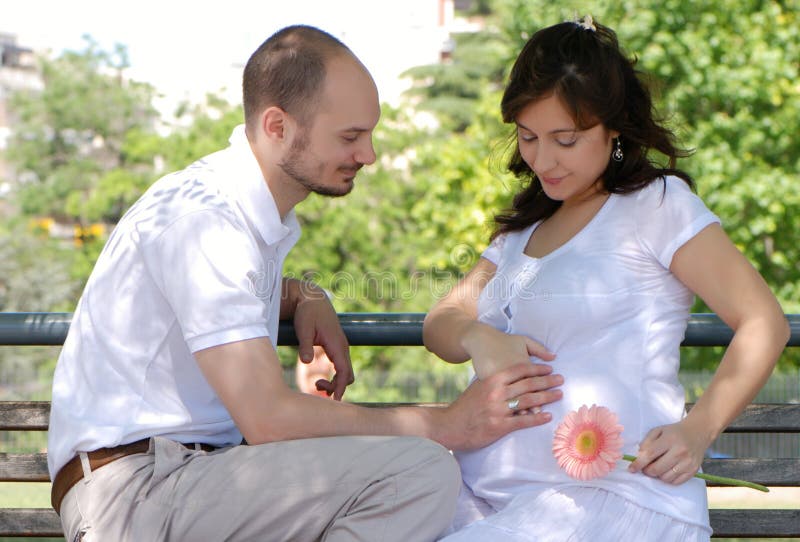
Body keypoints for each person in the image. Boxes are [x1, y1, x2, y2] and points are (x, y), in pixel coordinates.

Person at [46, 25, 565, 542]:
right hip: (136, 497)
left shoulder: (237, 218)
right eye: (350, 136)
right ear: (277, 126)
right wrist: (448, 422)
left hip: (177, 484)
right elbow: (268, 419)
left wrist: (302, 294)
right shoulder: (205, 221)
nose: (369, 155)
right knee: (420, 471)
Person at [423, 16, 789, 542]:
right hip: (482, 499)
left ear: (613, 129)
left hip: (615, 500)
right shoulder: (523, 230)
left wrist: (697, 429)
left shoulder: (654, 206)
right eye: (527, 137)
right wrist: (478, 336)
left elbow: (762, 321)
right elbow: (442, 319)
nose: (541, 159)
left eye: (564, 140)